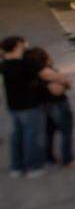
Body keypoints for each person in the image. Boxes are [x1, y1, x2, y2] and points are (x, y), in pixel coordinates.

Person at [24, 48, 75, 168]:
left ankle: (49, 158)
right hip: (57, 104)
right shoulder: (46, 72)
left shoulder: (31, 72)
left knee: (49, 132)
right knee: (66, 131)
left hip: (44, 105)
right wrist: (66, 83)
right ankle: (68, 160)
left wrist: (64, 82)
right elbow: (57, 90)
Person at [2, 36, 47, 178]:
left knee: (17, 136)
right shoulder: (24, 63)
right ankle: (33, 167)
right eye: (22, 43)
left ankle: (16, 167)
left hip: (13, 106)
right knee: (31, 136)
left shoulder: (3, 65)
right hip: (29, 105)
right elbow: (45, 75)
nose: (25, 45)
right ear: (17, 45)